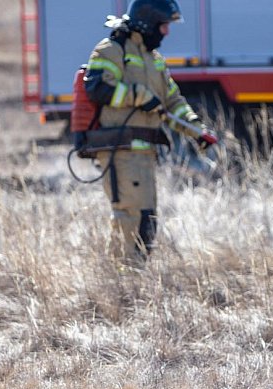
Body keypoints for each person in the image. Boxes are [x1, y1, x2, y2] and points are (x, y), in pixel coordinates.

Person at [84, 0, 213, 266]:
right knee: (130, 216)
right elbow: (97, 88)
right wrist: (138, 96)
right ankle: (123, 275)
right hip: (120, 149)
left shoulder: (154, 61)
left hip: (144, 154)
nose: (166, 32)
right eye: (163, 25)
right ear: (147, 23)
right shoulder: (111, 50)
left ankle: (135, 274)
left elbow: (172, 102)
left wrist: (196, 129)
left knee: (147, 219)